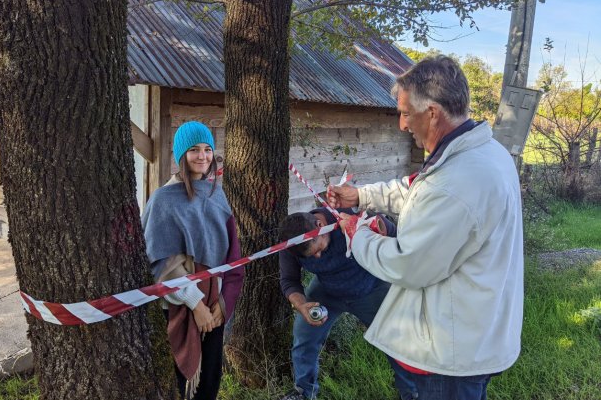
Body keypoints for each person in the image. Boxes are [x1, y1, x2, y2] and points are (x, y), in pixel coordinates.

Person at [328, 55, 524, 400]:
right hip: (469, 333)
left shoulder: (458, 181)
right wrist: (360, 196)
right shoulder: (479, 154)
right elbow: (417, 190)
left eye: (406, 113)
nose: (402, 124)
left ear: (432, 112)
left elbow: (408, 263)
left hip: (445, 355)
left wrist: (357, 233)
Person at [142, 121, 244, 400]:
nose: (203, 156)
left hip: (214, 308)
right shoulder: (163, 200)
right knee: (178, 385)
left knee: (209, 381)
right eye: (194, 150)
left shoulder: (216, 194)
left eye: (208, 149)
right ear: (181, 156)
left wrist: (221, 305)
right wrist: (195, 304)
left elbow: (232, 257)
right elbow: (162, 264)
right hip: (181, 306)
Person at [278, 208, 417, 400]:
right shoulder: (291, 244)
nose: (318, 257)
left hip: (370, 287)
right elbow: (289, 281)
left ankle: (412, 392)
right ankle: (304, 392)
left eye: (318, 249)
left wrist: (378, 225)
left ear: (320, 226)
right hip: (326, 291)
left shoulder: (345, 217)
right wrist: (302, 305)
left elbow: (396, 236)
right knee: (304, 336)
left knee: (396, 342)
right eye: (310, 257)